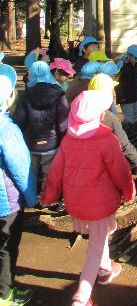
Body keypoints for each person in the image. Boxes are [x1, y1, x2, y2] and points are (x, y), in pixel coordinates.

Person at [41, 87, 136, 306]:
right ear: (101, 115)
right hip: (99, 205)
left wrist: (49, 196)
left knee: (98, 237)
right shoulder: (107, 139)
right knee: (95, 248)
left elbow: (55, 171)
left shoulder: (68, 140)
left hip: (76, 203)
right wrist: (128, 190)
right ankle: (81, 297)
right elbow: (120, 170)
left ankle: (105, 270)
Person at [0, 54, 37, 306]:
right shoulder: (7, 130)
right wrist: (32, 196)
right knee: (6, 249)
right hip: (6, 203)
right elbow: (21, 168)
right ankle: (6, 295)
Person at [12, 61, 69, 203]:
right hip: (52, 143)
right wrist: (64, 143)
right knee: (49, 173)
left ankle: (33, 198)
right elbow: (63, 124)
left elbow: (18, 122)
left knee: (31, 172)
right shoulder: (59, 95)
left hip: (30, 143)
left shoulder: (25, 96)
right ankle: (47, 199)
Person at [66, 66, 137, 172]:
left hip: (75, 166)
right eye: (111, 90)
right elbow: (123, 144)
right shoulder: (109, 118)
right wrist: (135, 160)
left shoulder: (74, 112)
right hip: (100, 168)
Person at [115, 44, 137, 123]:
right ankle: (128, 129)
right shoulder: (121, 66)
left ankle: (131, 123)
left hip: (136, 95)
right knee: (129, 116)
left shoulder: (135, 65)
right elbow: (116, 82)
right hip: (125, 97)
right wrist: (122, 97)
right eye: (135, 58)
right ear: (129, 56)